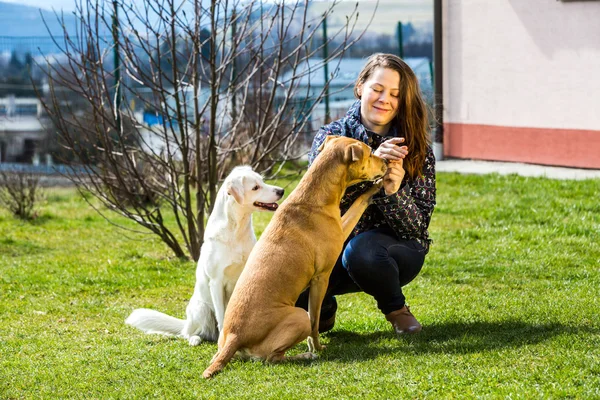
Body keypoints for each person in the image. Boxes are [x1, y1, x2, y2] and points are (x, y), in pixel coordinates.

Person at [296, 53, 436, 335]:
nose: (385, 99)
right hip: (333, 247)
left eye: (395, 94)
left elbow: (417, 228)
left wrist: (392, 191)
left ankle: (397, 310)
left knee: (362, 251)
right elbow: (315, 202)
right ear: (360, 86)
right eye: (377, 89)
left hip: (392, 252)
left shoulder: (416, 147)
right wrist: (371, 167)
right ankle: (322, 308)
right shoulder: (331, 138)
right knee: (288, 273)